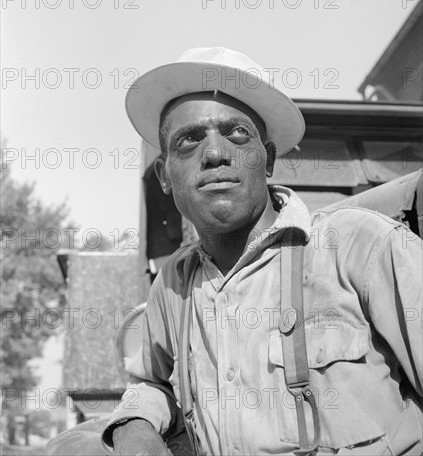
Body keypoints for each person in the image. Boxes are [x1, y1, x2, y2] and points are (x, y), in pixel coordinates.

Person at [101, 47, 422, 456]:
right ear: (165, 176)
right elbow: (150, 382)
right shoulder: (173, 284)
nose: (215, 154)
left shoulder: (363, 246)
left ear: (267, 159)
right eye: (189, 140)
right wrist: (136, 426)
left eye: (237, 133)